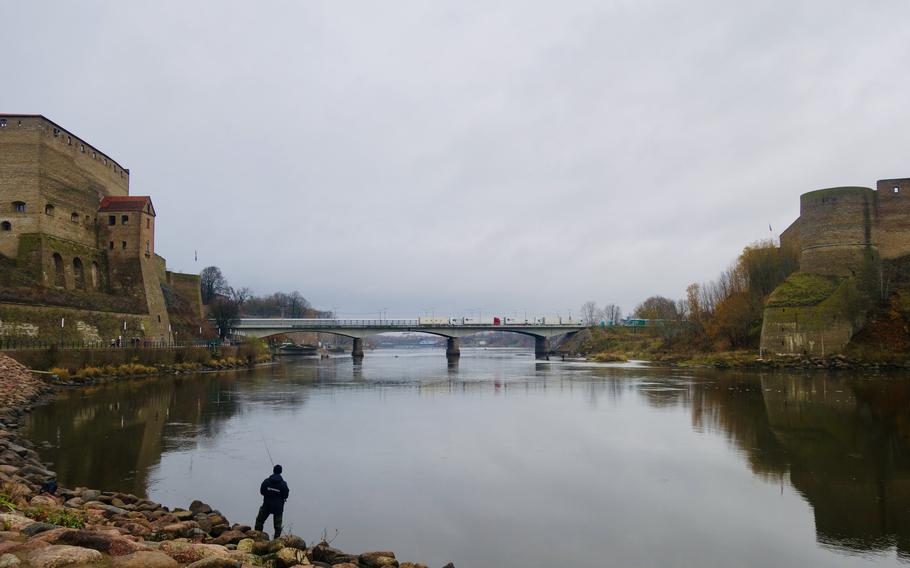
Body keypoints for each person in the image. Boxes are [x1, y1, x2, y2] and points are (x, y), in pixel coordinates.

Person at [255, 464, 289, 539]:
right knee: (277, 527)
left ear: (273, 471)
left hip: (267, 505)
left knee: (259, 521)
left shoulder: (266, 481)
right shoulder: (283, 484)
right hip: (278, 508)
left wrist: (269, 494)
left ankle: (257, 537)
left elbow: (262, 491)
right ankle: (275, 542)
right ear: (281, 472)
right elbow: (285, 496)